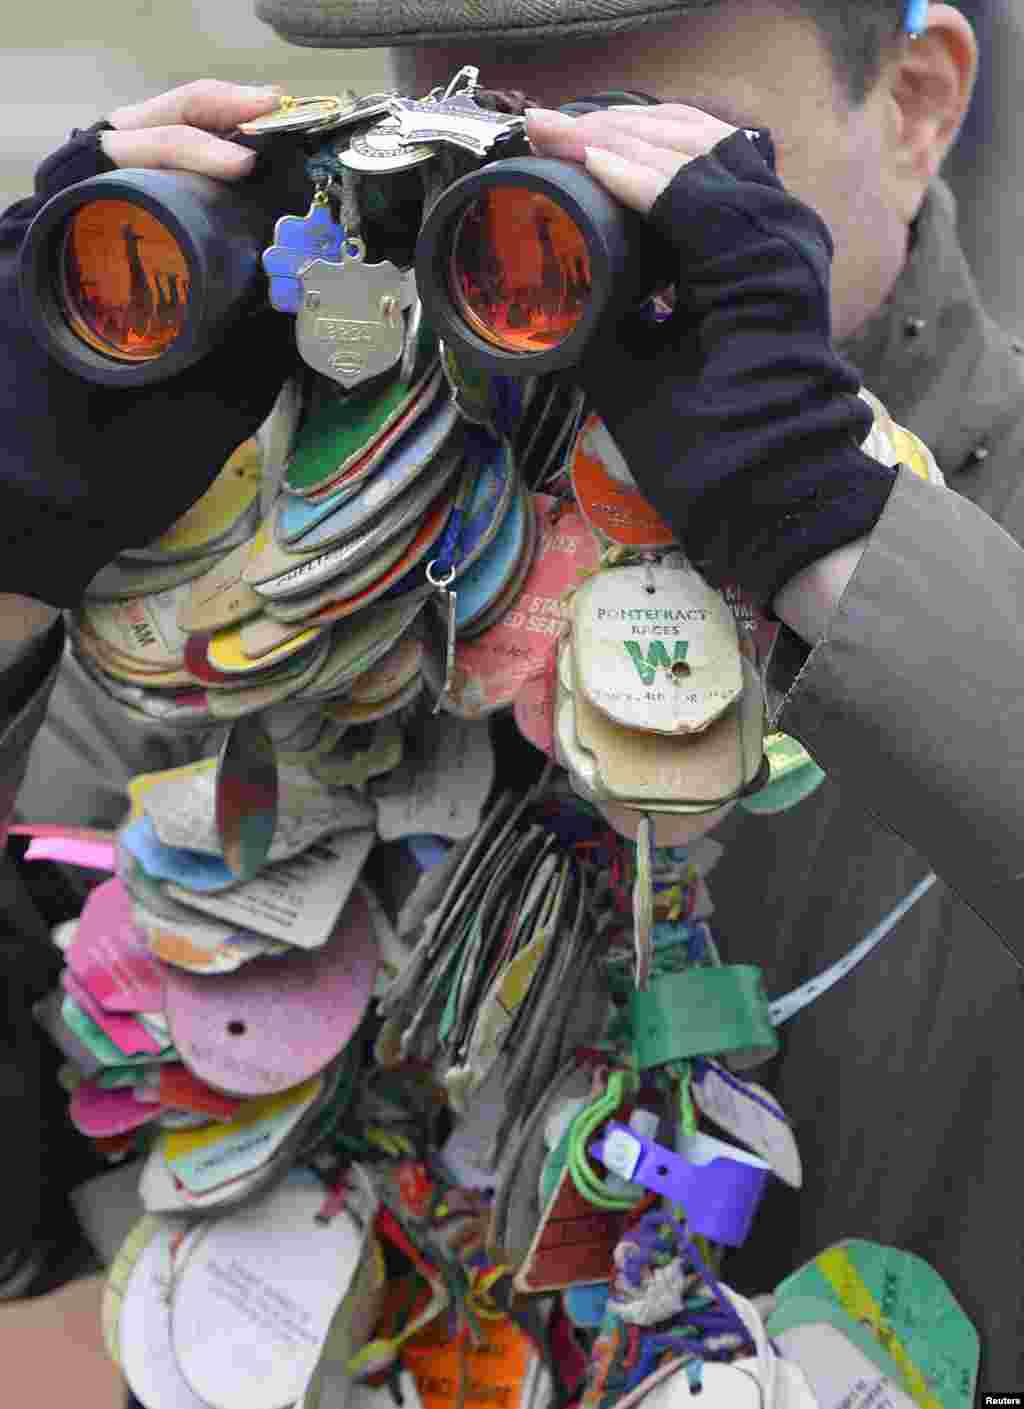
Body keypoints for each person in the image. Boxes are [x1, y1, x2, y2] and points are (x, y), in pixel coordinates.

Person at [2, 0, 1024, 1389]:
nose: (505, 244)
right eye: (449, 136)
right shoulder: (262, 557)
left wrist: (836, 532)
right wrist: (19, 552)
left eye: (617, 165)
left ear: (912, 106)